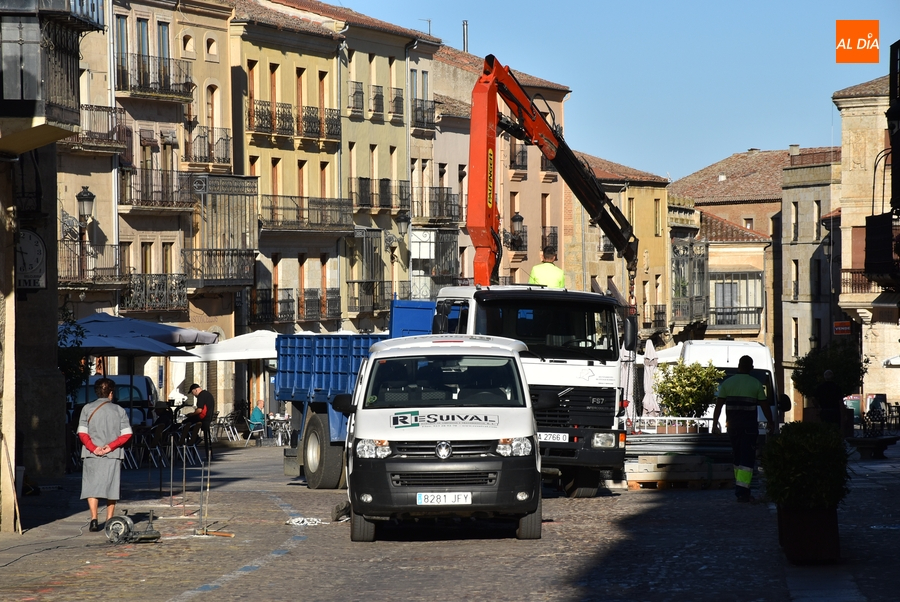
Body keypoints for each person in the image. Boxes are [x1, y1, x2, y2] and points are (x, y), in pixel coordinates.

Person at [712, 355, 775, 503]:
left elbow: (719, 406)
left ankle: (740, 490)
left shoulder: (727, 383)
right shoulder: (756, 384)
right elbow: (765, 407)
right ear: (751, 368)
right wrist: (771, 423)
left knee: (738, 457)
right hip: (749, 428)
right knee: (747, 460)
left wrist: (715, 424)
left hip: (733, 427)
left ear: (738, 366)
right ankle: (743, 492)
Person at [77, 377, 132, 532]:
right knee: (111, 487)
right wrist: (109, 447)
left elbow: (82, 433)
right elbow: (127, 434)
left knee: (91, 486)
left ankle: (94, 519)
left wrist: (93, 448)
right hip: (112, 454)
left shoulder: (87, 409)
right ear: (111, 393)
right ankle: (109, 519)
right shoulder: (119, 410)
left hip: (91, 453)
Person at [185, 383, 215, 462]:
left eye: (192, 392)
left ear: (196, 390)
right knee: (189, 423)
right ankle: (194, 438)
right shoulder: (208, 394)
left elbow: (199, 410)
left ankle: (194, 439)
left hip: (203, 419)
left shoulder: (201, 396)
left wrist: (191, 414)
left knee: (185, 423)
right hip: (208, 419)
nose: (193, 395)